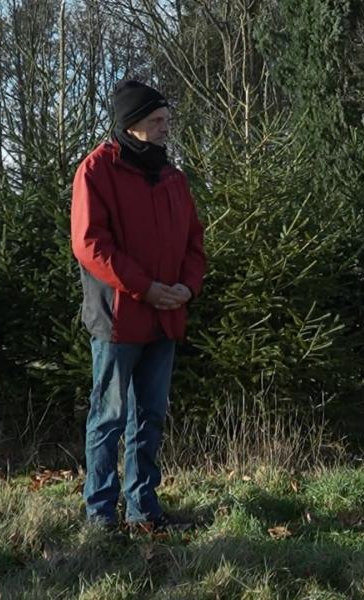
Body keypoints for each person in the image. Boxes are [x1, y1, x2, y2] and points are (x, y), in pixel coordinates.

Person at [70, 79, 206, 530]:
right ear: (132, 125)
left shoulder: (173, 177)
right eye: (157, 121)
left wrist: (187, 287)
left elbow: (193, 241)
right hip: (117, 319)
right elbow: (91, 244)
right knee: (109, 417)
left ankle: (144, 509)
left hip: (166, 316)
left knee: (151, 416)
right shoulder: (96, 171)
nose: (166, 128)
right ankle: (101, 516)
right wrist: (145, 287)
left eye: (167, 119)